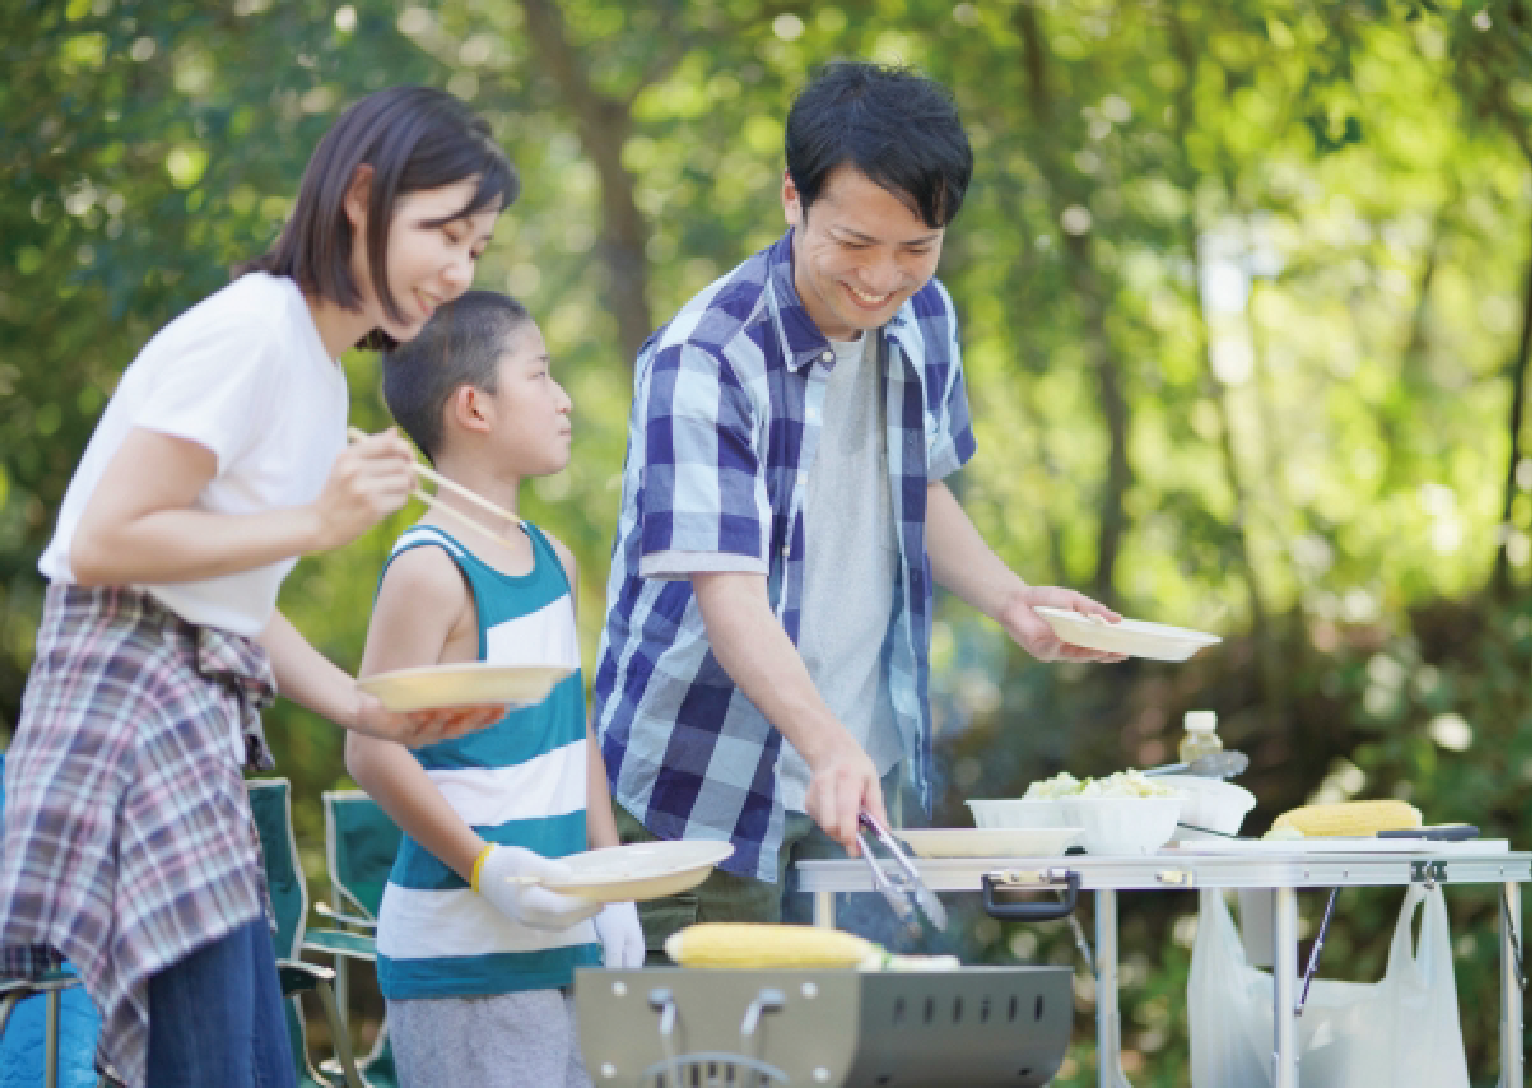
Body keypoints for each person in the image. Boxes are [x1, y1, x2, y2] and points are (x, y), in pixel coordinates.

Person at [0, 86, 520, 1088]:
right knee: (219, 1063)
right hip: (129, 712)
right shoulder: (252, 330)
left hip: (185, 721)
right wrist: (318, 523)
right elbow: (103, 539)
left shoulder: (316, 373)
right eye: (443, 233)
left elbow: (230, 589)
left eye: (478, 247)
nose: (456, 270)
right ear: (361, 198)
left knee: (244, 1058)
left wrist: (367, 708)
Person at [592, 60, 1123, 955]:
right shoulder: (705, 358)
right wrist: (824, 743)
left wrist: (1009, 598)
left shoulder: (924, 319)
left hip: (860, 779)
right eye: (855, 243)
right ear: (792, 200)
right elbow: (728, 595)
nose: (882, 278)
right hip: (704, 783)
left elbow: (916, 489)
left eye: (916, 248)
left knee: (869, 1047)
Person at [347, 290, 643, 1088]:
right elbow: (370, 750)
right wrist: (486, 869)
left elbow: (569, 727)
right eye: (541, 375)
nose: (563, 398)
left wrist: (611, 883)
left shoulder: (553, 557)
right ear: (474, 406)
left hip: (567, 940)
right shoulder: (429, 567)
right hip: (461, 957)